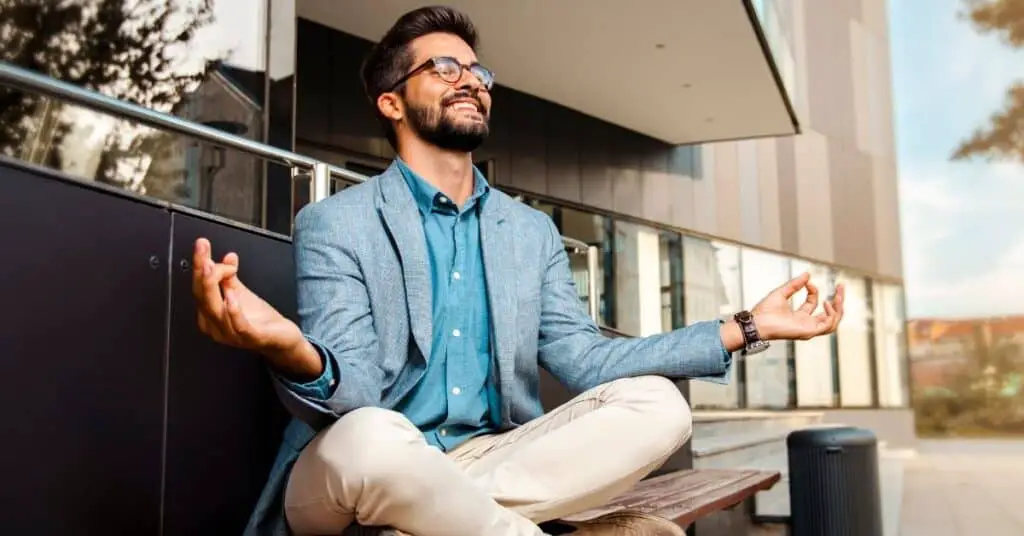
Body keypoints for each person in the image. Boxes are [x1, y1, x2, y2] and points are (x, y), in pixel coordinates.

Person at [191, 6, 845, 536]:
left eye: (478, 70)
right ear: (391, 103)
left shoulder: (529, 232)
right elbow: (356, 393)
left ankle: (432, 524)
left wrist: (746, 326)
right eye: (444, 66)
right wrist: (292, 348)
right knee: (372, 437)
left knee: (659, 404)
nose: (471, 79)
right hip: (355, 473)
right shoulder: (338, 222)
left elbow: (585, 360)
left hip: (495, 458)